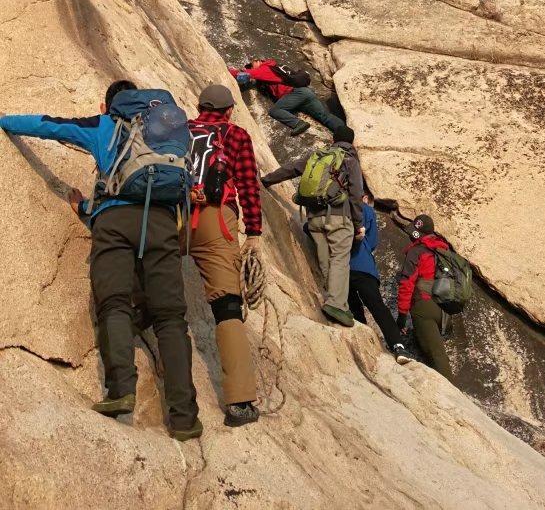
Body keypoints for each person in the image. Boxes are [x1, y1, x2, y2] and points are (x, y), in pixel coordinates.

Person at [0, 80, 201, 439]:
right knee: (171, 317)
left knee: (115, 304)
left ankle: (121, 390)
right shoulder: (167, 131)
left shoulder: (106, 125)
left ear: (109, 104)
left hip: (115, 222)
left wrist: (6, 121)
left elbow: (50, 125)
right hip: (162, 223)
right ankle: (185, 417)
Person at [188, 83, 262, 427]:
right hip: (216, 221)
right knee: (227, 307)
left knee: (156, 278)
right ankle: (239, 402)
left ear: (199, 106)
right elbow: (248, 183)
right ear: (229, 110)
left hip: (174, 217)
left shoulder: (182, 129)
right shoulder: (234, 135)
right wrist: (255, 233)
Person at [261, 125, 363, 326]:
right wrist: (358, 222)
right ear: (351, 142)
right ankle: (337, 304)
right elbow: (356, 194)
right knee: (340, 260)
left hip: (314, 219)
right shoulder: (350, 161)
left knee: (325, 260)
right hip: (339, 219)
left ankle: (332, 300)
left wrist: (266, 180)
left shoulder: (318, 156)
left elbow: (291, 168)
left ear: (333, 138)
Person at [349, 194, 410, 364]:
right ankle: (398, 346)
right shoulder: (366, 209)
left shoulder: (336, 207)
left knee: (354, 308)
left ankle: (361, 340)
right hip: (363, 266)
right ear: (365, 197)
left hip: (340, 268)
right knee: (378, 307)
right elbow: (373, 241)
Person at [396, 213, 453, 382]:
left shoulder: (416, 251)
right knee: (433, 351)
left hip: (424, 306)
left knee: (437, 356)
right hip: (444, 308)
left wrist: (401, 316)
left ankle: (451, 399)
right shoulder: (443, 251)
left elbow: (407, 284)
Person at [230, 58, 344, 137]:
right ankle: (344, 133)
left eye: (251, 65)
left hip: (295, 94)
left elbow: (242, 76)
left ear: (258, 61)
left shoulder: (264, 68)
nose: (250, 68)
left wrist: (228, 70)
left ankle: (298, 123)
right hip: (306, 92)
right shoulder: (277, 66)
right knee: (325, 116)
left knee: (276, 110)